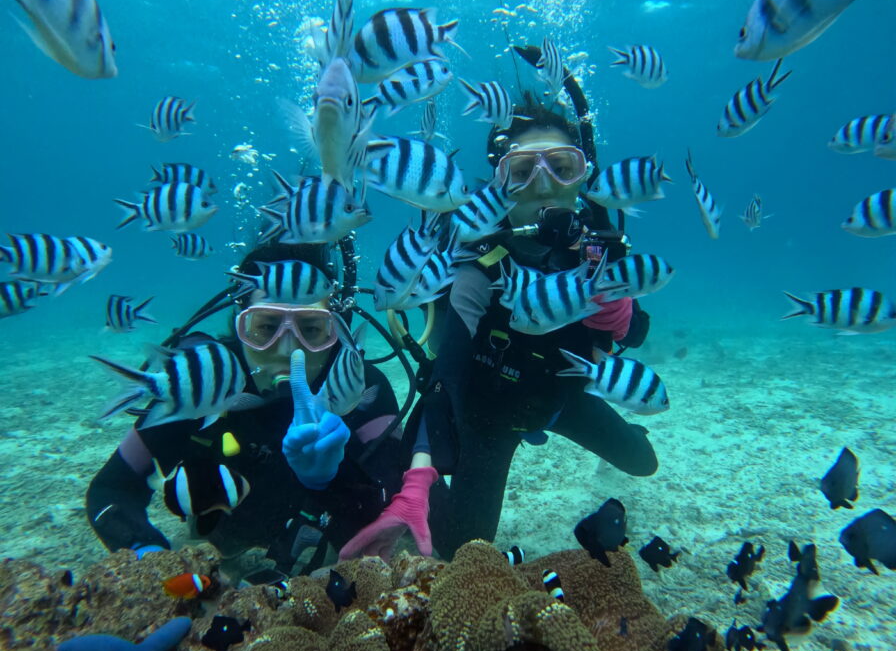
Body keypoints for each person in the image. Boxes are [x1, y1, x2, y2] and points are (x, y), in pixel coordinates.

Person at [393, 87, 660, 560]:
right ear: (502, 181)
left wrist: (615, 304)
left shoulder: (600, 250)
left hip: (564, 400)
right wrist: (420, 468)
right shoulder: (476, 260)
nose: (542, 183)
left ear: (583, 177)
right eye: (521, 170)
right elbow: (447, 370)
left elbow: (631, 335)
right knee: (463, 548)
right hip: (489, 418)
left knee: (643, 463)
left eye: (562, 167)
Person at [85, 240, 436, 578]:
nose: (286, 349)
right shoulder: (200, 383)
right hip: (219, 547)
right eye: (265, 327)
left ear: (336, 328)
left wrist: (332, 478)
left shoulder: (358, 387)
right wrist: (147, 553)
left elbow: (396, 490)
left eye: (311, 329)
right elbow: (111, 490)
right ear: (240, 324)